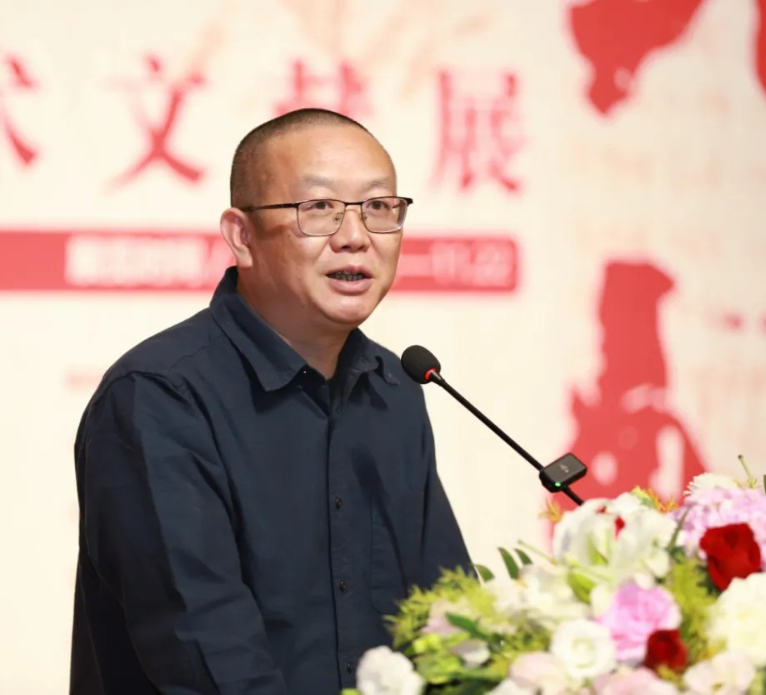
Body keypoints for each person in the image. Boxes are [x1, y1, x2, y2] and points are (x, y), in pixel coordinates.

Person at [70, 108, 472, 695]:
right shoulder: (159, 398)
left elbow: (449, 615)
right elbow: (206, 660)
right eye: (319, 208)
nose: (355, 236)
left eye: (379, 207)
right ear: (242, 236)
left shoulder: (395, 387)